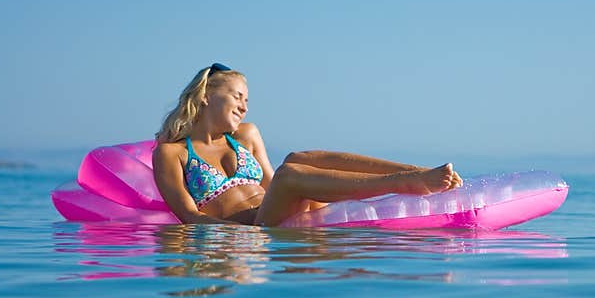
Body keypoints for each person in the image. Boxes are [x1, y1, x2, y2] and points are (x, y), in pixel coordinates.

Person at [153, 63, 462, 226]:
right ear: (207, 96)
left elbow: (272, 186)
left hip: (281, 212)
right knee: (290, 174)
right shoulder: (173, 153)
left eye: (247, 99)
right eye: (237, 97)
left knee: (296, 158)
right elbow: (190, 217)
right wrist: (239, 238)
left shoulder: (246, 135)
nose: (245, 106)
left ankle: (415, 173)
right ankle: (405, 183)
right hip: (253, 230)